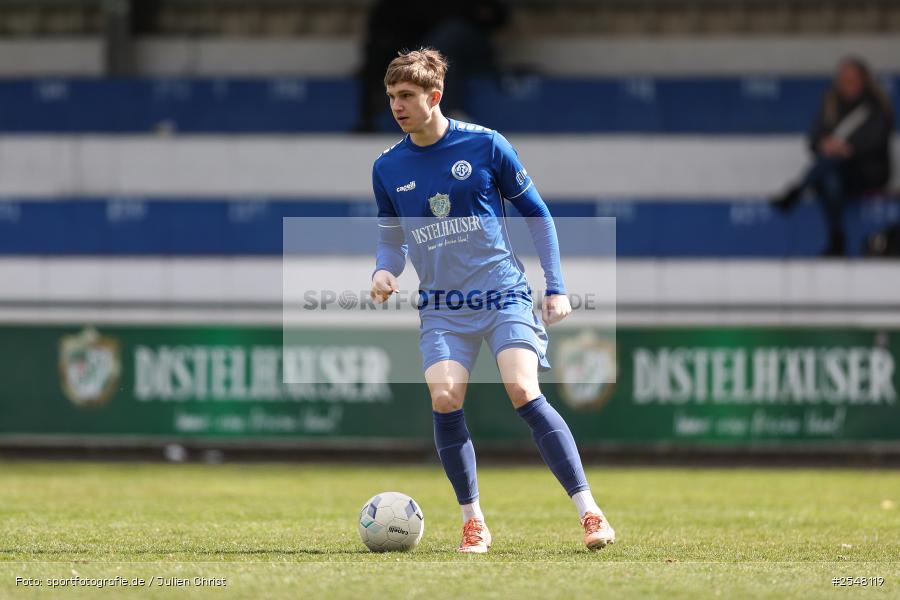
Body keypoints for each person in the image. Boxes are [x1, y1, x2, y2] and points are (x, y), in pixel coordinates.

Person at [368, 48, 615, 553]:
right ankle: (473, 521)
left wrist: (556, 285)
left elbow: (537, 214)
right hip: (442, 306)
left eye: (407, 96)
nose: (397, 105)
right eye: (392, 96)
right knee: (444, 398)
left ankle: (590, 512)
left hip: (502, 293)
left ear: (434, 97)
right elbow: (391, 238)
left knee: (522, 389)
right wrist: (383, 271)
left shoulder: (485, 145)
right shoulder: (387, 167)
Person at [773, 57, 894, 256]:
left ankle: (798, 189)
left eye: (852, 79)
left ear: (864, 80)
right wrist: (825, 144)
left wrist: (848, 148)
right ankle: (836, 238)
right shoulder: (830, 104)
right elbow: (814, 138)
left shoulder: (877, 107)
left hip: (868, 171)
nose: (848, 84)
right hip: (837, 173)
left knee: (831, 165)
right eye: (844, 79)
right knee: (831, 177)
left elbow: (876, 141)